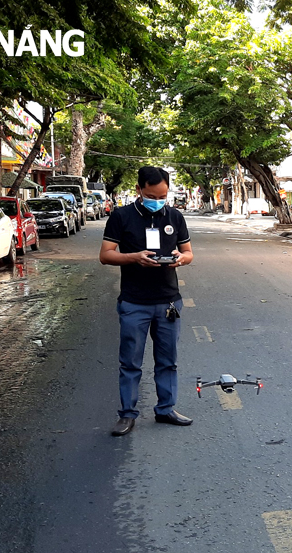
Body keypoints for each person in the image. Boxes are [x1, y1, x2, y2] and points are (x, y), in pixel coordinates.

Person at [100, 166, 195, 437]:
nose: (159, 200)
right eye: (153, 195)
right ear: (140, 190)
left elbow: (189, 253)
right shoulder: (121, 216)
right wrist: (134, 257)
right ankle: (127, 415)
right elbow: (106, 254)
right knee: (130, 362)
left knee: (168, 361)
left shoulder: (175, 216)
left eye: (163, 194)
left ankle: (166, 408)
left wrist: (180, 258)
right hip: (134, 303)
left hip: (168, 303)